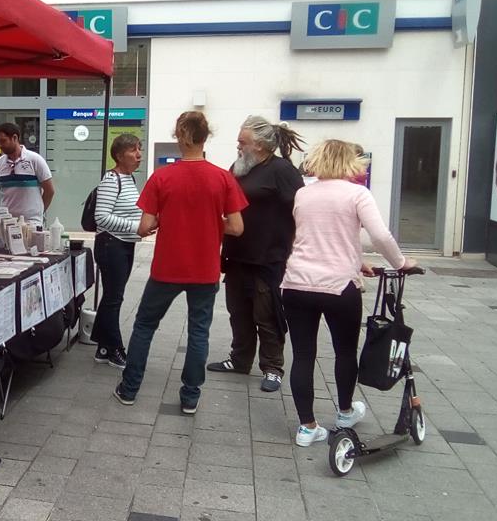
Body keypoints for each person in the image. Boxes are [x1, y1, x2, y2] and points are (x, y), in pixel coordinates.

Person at [282, 139, 417, 447]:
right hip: (339, 286)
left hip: (297, 283)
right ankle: (344, 412)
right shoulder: (357, 194)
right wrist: (401, 262)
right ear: (350, 163)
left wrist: (358, 261)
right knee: (344, 351)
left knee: (303, 354)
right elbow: (379, 234)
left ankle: (307, 427)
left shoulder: (303, 193)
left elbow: (314, 238)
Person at [114, 111, 248, 414]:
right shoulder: (222, 178)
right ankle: (190, 396)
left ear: (178, 136)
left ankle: (129, 388)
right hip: (205, 269)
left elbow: (143, 227)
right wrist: (211, 224)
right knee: (199, 331)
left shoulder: (162, 177)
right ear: (206, 136)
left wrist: (166, 219)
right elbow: (237, 227)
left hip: (166, 268)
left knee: (145, 325)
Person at [207, 116, 305, 393]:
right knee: (238, 311)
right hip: (237, 254)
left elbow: (301, 210)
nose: (238, 146)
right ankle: (239, 359)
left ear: (260, 146)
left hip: (268, 256)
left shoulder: (282, 170)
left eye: (243, 142)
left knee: (267, 314)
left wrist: (298, 247)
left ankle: (272, 367)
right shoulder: (239, 168)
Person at [91, 133, 144, 369]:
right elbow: (100, 217)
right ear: (120, 155)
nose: (139, 154)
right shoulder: (112, 180)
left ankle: (102, 347)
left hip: (125, 244)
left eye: (139, 149)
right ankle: (115, 348)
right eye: (134, 150)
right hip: (111, 245)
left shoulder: (129, 179)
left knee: (113, 296)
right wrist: (137, 226)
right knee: (114, 298)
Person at [0, 122, 54, 225]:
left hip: (31, 222)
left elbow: (50, 190)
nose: (0, 145)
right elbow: (2, 190)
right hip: (7, 222)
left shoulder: (35, 159)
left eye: (3, 141)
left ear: (15, 138)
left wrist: (38, 212)